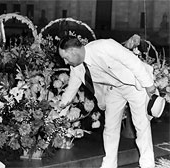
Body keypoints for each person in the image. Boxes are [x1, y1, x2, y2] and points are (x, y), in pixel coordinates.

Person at [58, 35, 156, 168]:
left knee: (141, 125)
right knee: (110, 128)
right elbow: (70, 92)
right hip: (114, 89)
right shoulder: (76, 68)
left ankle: (147, 164)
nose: (65, 62)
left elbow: (132, 61)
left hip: (134, 85)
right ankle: (109, 164)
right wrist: (58, 115)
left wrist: (149, 85)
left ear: (73, 51)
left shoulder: (104, 46)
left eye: (65, 57)